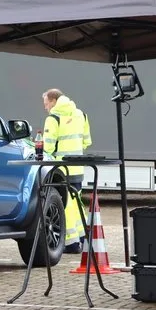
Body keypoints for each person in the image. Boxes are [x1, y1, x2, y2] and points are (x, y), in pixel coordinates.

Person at [42, 88, 92, 254]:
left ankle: (70, 243)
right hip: (77, 168)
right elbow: (86, 142)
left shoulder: (53, 119)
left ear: (54, 101)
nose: (45, 107)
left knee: (66, 205)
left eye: (46, 103)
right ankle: (83, 237)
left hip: (61, 170)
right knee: (77, 202)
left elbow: (48, 148)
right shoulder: (81, 115)